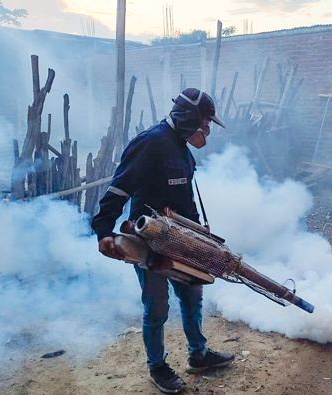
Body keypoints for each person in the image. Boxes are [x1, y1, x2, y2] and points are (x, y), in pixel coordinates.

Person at [91, 88, 234, 394]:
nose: (207, 129)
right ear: (189, 118)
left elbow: (186, 198)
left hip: (182, 239)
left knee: (192, 293)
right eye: (205, 121)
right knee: (157, 307)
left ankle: (199, 354)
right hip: (148, 240)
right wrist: (103, 230)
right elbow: (119, 189)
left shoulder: (182, 148)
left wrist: (200, 237)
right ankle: (158, 367)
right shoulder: (150, 142)